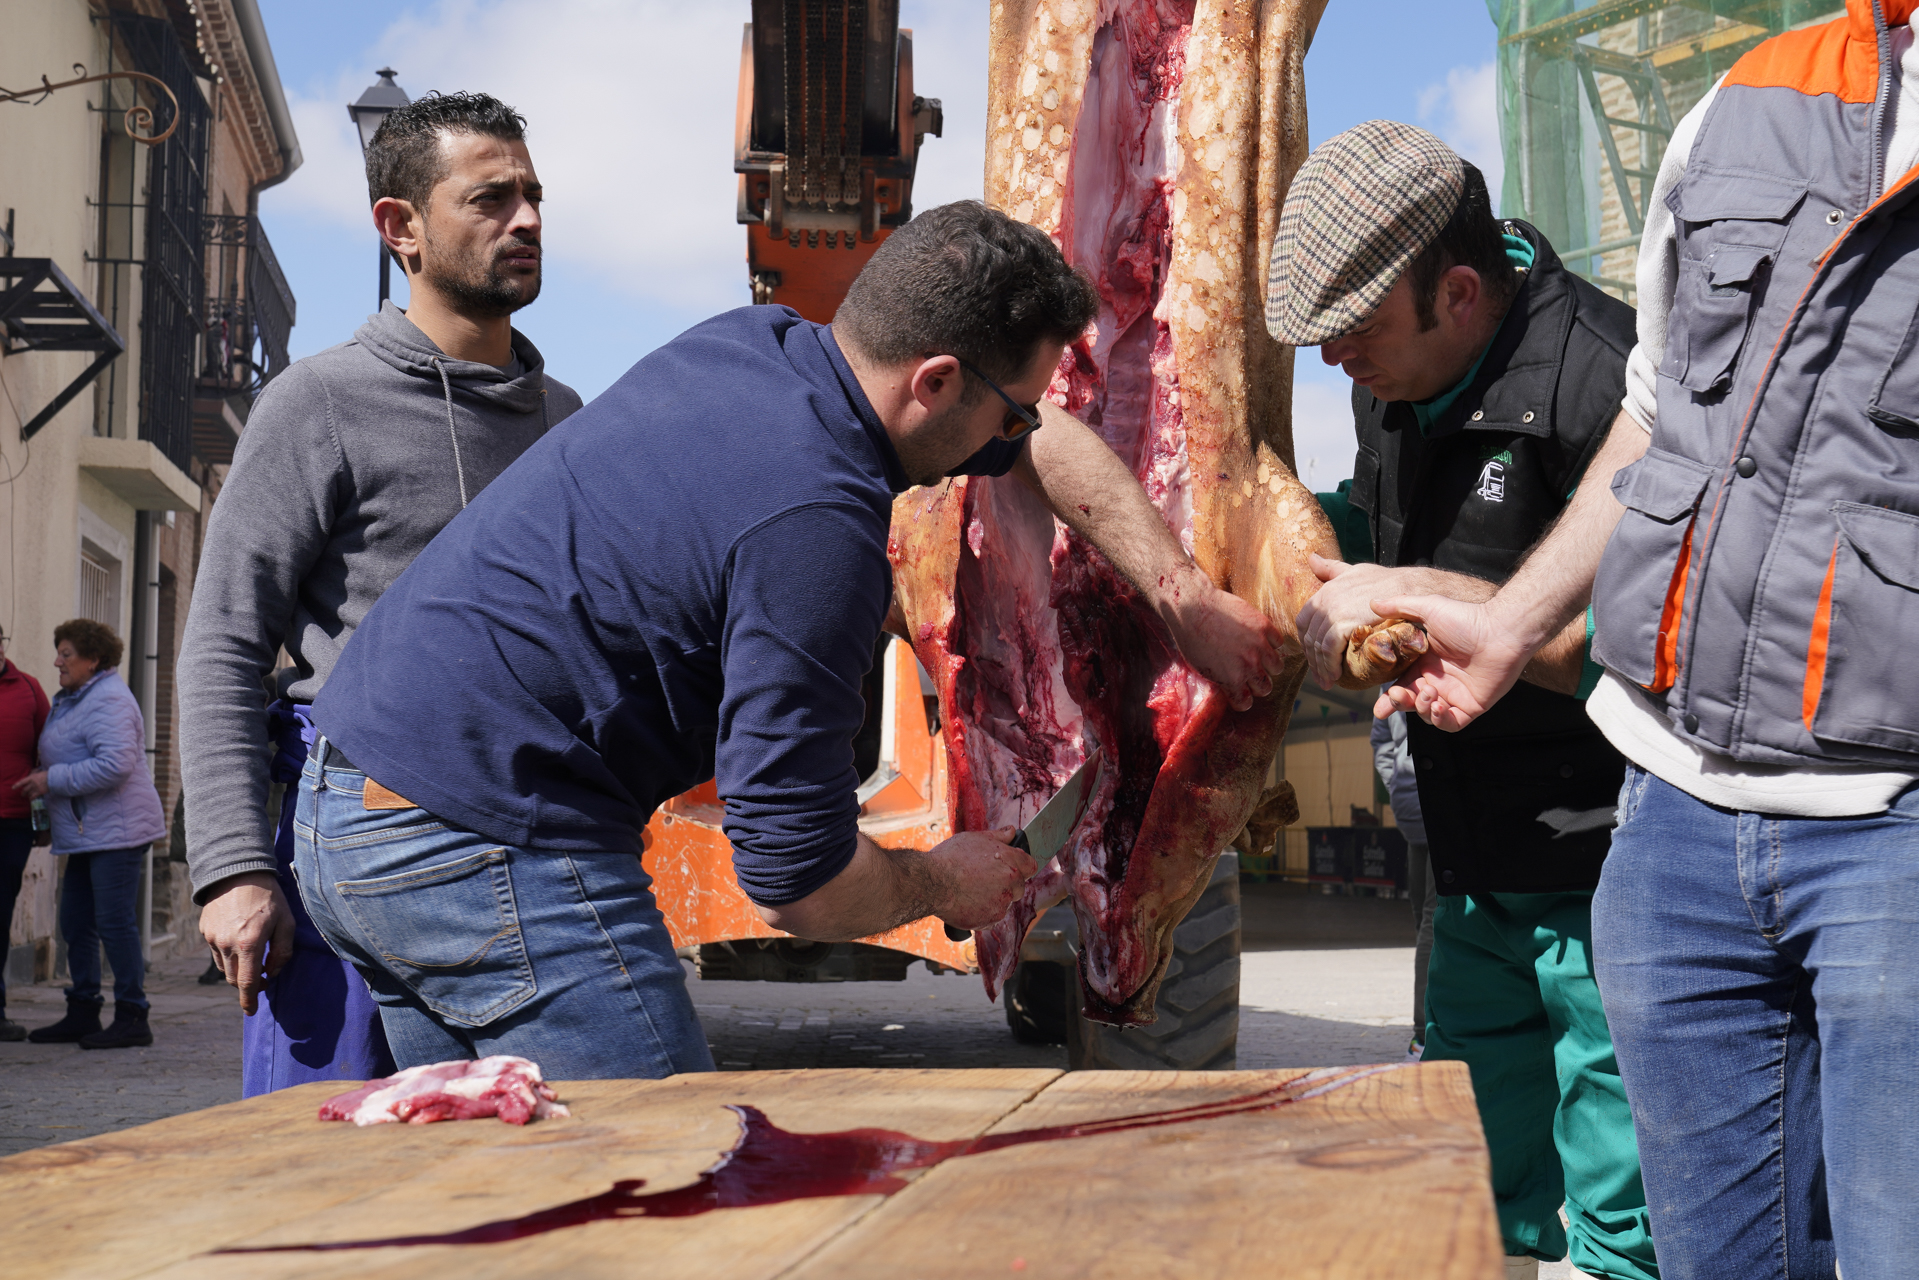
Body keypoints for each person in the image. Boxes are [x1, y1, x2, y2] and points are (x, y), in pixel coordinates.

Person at [297, 200, 1290, 1079]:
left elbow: (1026, 441)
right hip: (481, 840)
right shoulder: (819, 524)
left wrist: (1183, 597)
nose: (1017, 428)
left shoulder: (753, 345)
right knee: (663, 1185)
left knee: (506, 1184)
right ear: (937, 381)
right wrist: (942, 876)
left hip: (351, 806)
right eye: (1010, 400)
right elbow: (793, 882)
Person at [1367, 5, 1919, 1274]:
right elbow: (1664, 410)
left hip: (1890, 822)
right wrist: (1506, 626)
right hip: (1672, 822)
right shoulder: (1748, 100)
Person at [1274, 122, 1655, 1280]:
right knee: (1465, 1183)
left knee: (1622, 1207)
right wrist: (1291, 544)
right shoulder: (1393, 384)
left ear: (1454, 289)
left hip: (1605, 876)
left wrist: (1447, 603)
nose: (1337, 360)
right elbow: (1376, 529)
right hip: (1467, 869)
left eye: (1357, 331)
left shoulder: (1609, 379)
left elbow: (1658, 655)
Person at [178, 90, 583, 1097]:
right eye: (490, 199)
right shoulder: (317, 403)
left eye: (532, 195)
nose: (526, 219)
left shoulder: (569, 421)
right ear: (399, 227)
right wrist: (232, 867)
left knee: (528, 1176)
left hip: (530, 862)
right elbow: (225, 639)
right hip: (345, 860)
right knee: (330, 1181)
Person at [16, 621, 166, 1049]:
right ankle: (82, 1012)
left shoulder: (110, 700)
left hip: (118, 831)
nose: (57, 661)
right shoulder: (74, 699)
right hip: (86, 831)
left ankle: (133, 1016)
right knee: (76, 923)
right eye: (58, 652)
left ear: (93, 659)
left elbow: (115, 765)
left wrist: (51, 780)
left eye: (66, 653)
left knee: (114, 923)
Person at [1368, 708, 1431, 1057]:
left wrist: (1396, 784)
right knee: (1436, 923)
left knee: (1424, 919)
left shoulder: (1387, 675)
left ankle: (1424, 1034)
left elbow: (1381, 740)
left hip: (1409, 802)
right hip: (1438, 801)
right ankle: (1424, 1036)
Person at [0, 627, 50, 1041]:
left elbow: (47, 752)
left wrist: (42, 821)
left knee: (1, 918)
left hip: (11, 822)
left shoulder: (28, 689)